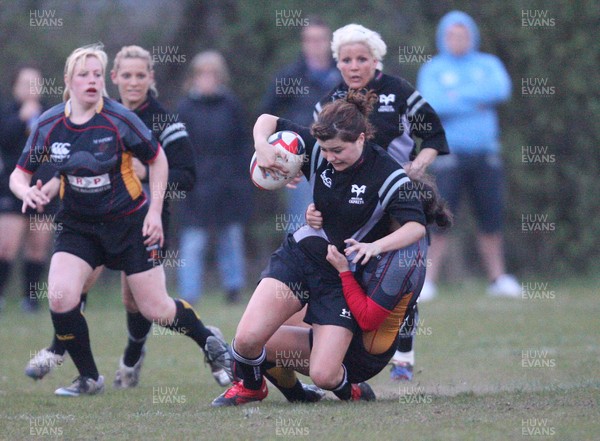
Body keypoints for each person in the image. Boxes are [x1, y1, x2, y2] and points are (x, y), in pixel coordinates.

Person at [10, 43, 231, 397]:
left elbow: (160, 161)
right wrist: (27, 192)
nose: (92, 80)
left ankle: (211, 343)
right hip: (78, 226)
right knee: (62, 295)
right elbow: (20, 175)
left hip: (129, 224)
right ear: (69, 80)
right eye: (84, 74)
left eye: (97, 74)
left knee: (153, 307)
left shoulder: (120, 119)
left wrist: (156, 213)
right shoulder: (50, 122)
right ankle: (88, 377)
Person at [211, 91, 441, 407]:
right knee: (248, 339)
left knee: (324, 374)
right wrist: (262, 146)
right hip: (302, 256)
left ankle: (349, 389)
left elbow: (415, 227)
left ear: (361, 138)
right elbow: (268, 121)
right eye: (325, 150)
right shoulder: (320, 148)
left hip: (340, 278)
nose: (330, 157)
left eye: (338, 150)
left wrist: (375, 246)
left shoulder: (386, 173)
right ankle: (251, 387)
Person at [315, 23, 450, 382]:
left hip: (398, 199)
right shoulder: (330, 102)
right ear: (338, 63)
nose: (355, 66)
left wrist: (415, 168)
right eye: (347, 59)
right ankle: (347, 351)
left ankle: (403, 354)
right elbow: (317, 150)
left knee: (403, 275)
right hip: (353, 202)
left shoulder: (398, 91)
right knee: (351, 272)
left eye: (362, 58)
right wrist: (294, 171)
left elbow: (435, 136)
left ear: (376, 60)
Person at [417, 11, 519, 300]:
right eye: (451, 35)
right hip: (449, 157)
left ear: (471, 36)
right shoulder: (434, 69)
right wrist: (476, 100)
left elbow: (500, 89)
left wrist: (456, 96)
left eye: (462, 35)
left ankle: (498, 278)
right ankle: (427, 281)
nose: (457, 40)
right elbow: (433, 103)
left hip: (486, 156)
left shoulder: (488, 64)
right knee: (439, 218)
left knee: (491, 218)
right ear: (443, 38)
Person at [176, 50, 251, 304]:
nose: (207, 79)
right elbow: (178, 149)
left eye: (212, 74)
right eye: (202, 74)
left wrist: (241, 179)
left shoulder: (231, 105)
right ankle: (189, 295)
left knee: (230, 238)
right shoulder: (185, 108)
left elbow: (243, 145)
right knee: (193, 242)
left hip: (228, 184)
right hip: (196, 185)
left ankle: (233, 289)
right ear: (194, 77)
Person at [258, 16, 341, 231]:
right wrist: (273, 148)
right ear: (303, 43)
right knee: (301, 217)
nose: (315, 45)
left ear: (329, 42)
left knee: (338, 215)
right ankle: (295, 261)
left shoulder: (343, 74)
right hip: (300, 156)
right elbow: (267, 110)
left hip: (338, 156)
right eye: (309, 40)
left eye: (320, 39)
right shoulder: (291, 75)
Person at [0, 65, 56, 313]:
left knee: (38, 247)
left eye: (35, 82)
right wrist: (22, 117)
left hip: (44, 190)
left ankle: (30, 301)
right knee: (5, 246)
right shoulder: (7, 113)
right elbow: (5, 140)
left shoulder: (52, 115)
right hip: (10, 190)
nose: (30, 87)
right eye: (25, 82)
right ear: (15, 86)